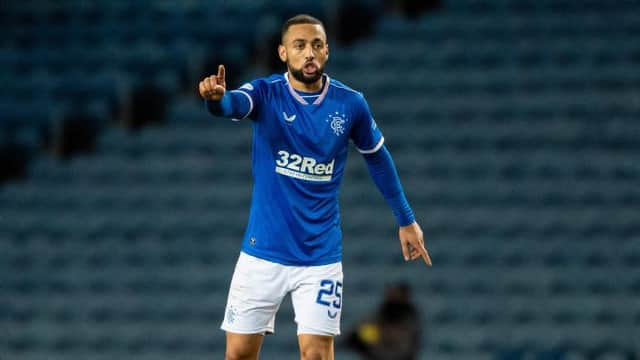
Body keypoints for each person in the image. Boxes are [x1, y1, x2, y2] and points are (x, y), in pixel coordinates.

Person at [198, 14, 431, 360]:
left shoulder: (350, 104)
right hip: (262, 253)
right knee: (238, 356)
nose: (309, 53)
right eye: (300, 45)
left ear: (327, 52)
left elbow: (378, 158)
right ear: (282, 52)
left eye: (317, 45)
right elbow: (234, 103)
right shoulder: (265, 93)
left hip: (319, 257)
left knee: (317, 356)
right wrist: (216, 100)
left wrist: (406, 219)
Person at [345, 282, 422, 360]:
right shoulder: (380, 314)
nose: (393, 296)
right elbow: (361, 333)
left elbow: (404, 349)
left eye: (397, 294)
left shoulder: (410, 319)